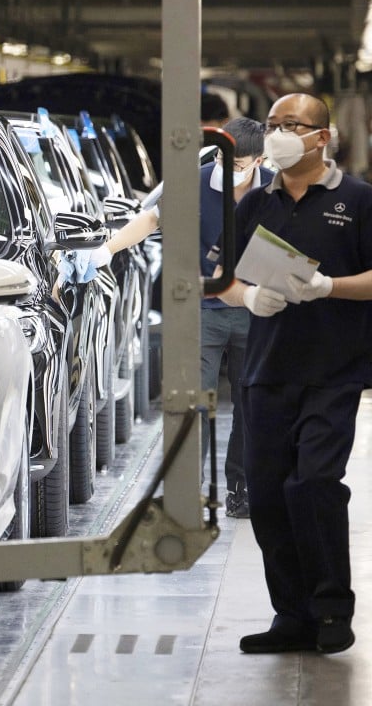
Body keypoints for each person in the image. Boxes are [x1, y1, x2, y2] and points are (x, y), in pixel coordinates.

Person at [218, 92, 372, 655]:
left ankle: (331, 610)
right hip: (265, 370)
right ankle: (291, 615)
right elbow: (222, 277)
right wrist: (248, 297)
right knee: (267, 495)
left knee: (313, 485)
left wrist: (333, 286)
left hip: (335, 370)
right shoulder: (255, 204)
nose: (278, 135)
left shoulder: (357, 200)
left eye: (292, 125)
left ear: (321, 137)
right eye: (272, 124)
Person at [200, 117, 273, 517]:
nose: (227, 166)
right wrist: (106, 250)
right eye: (220, 156)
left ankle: (240, 489)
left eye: (239, 162)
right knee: (194, 402)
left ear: (258, 159)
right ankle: (186, 493)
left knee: (249, 405)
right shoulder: (197, 181)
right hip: (203, 310)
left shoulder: (277, 186)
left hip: (252, 312)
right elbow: (153, 218)